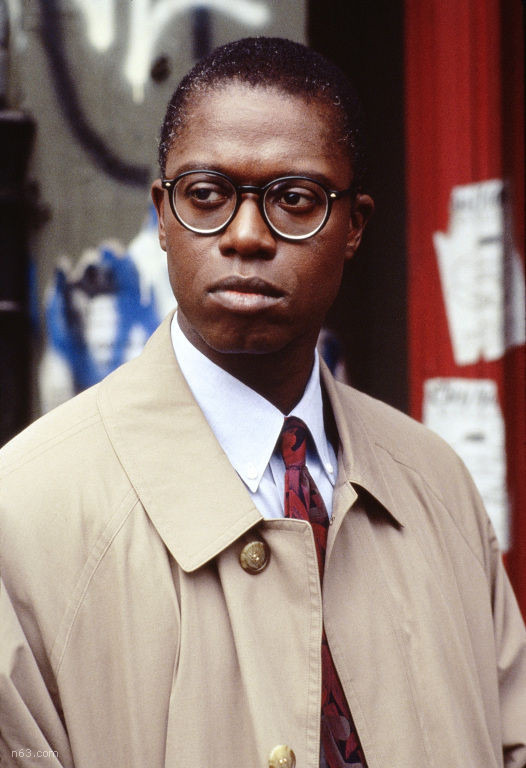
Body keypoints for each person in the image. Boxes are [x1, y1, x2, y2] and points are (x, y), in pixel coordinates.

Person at [1, 37, 525, 768]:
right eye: (206, 196)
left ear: (355, 227)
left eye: (295, 200)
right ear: (162, 214)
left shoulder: (437, 487)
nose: (246, 236)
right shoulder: (23, 512)